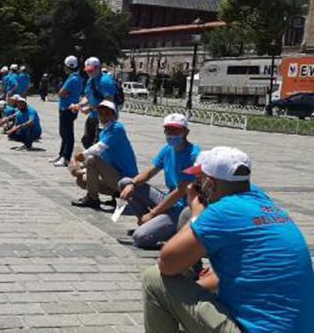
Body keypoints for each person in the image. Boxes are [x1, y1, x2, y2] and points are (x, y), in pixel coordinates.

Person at [143, 146, 314, 333]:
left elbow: (167, 263)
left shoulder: (224, 211)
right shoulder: (263, 202)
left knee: (153, 278)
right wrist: (194, 289)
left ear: (209, 183)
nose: (194, 187)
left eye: (198, 181)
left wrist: (196, 214)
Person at [118, 114, 200, 248]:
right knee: (125, 183)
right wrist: (132, 184)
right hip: (169, 199)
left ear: (186, 132)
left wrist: (152, 213)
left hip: (183, 209)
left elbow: (180, 192)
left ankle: (171, 232)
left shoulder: (193, 156)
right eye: (168, 130)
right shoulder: (168, 149)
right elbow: (150, 171)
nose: (171, 134)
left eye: (176, 130)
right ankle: (148, 223)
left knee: (140, 238)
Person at [70, 100, 138, 209]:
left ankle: (93, 199)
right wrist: (81, 169)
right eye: (101, 113)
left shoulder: (117, 128)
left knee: (92, 159)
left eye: (107, 114)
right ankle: (115, 194)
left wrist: (82, 155)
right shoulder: (104, 132)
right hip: (115, 176)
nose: (103, 117)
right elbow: (103, 158)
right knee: (82, 180)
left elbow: (98, 148)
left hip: (127, 180)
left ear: (114, 115)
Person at [70, 57, 117, 149]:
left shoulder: (105, 81)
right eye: (87, 71)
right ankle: (92, 160)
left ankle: (97, 161)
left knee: (98, 143)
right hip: (93, 116)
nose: (89, 73)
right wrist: (79, 105)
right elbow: (88, 96)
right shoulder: (90, 80)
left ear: (98, 67)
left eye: (91, 70)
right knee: (86, 139)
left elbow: (108, 102)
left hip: (105, 118)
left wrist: (90, 108)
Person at [49, 56, 83, 167]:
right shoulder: (77, 78)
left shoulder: (72, 78)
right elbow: (64, 93)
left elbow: (61, 93)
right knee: (64, 133)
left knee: (67, 134)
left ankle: (66, 158)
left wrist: (62, 93)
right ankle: (61, 155)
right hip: (68, 108)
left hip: (67, 109)